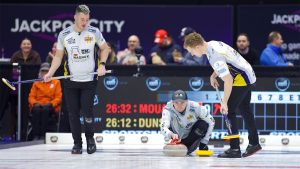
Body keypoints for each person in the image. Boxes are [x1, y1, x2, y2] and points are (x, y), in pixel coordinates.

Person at [44, 4, 110, 154]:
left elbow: (105, 48)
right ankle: (77, 144)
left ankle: (90, 140)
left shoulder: (94, 32)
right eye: (82, 19)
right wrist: (50, 72)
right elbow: (59, 57)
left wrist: (102, 65)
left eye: (87, 19)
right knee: (73, 114)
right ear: (75, 17)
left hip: (89, 80)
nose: (84, 22)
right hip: (70, 80)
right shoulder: (64, 34)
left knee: (87, 112)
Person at [184, 32, 261, 158]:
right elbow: (226, 61)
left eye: (191, 51)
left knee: (228, 111)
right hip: (248, 73)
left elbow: (228, 80)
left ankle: (235, 148)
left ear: (197, 47)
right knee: (245, 110)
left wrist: (224, 102)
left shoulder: (214, 55)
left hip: (241, 78)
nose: (192, 54)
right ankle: (254, 143)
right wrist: (214, 75)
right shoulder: (212, 44)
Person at [160, 90, 215, 155]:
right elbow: (163, 128)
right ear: (172, 102)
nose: (179, 105)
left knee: (203, 124)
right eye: (176, 102)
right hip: (177, 137)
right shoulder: (167, 109)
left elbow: (211, 122)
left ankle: (187, 147)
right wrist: (171, 134)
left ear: (187, 101)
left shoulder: (196, 107)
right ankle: (177, 143)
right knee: (168, 125)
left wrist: (204, 142)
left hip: (191, 139)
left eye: (182, 102)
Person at [28, 63, 62, 140]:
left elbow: (58, 97)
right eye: (43, 71)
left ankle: (43, 135)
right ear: (40, 72)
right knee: (36, 109)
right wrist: (35, 103)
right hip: (38, 104)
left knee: (46, 109)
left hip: (50, 106)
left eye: (47, 71)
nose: (45, 73)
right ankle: (36, 135)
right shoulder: (36, 82)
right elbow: (31, 97)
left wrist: (51, 104)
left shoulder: (56, 82)